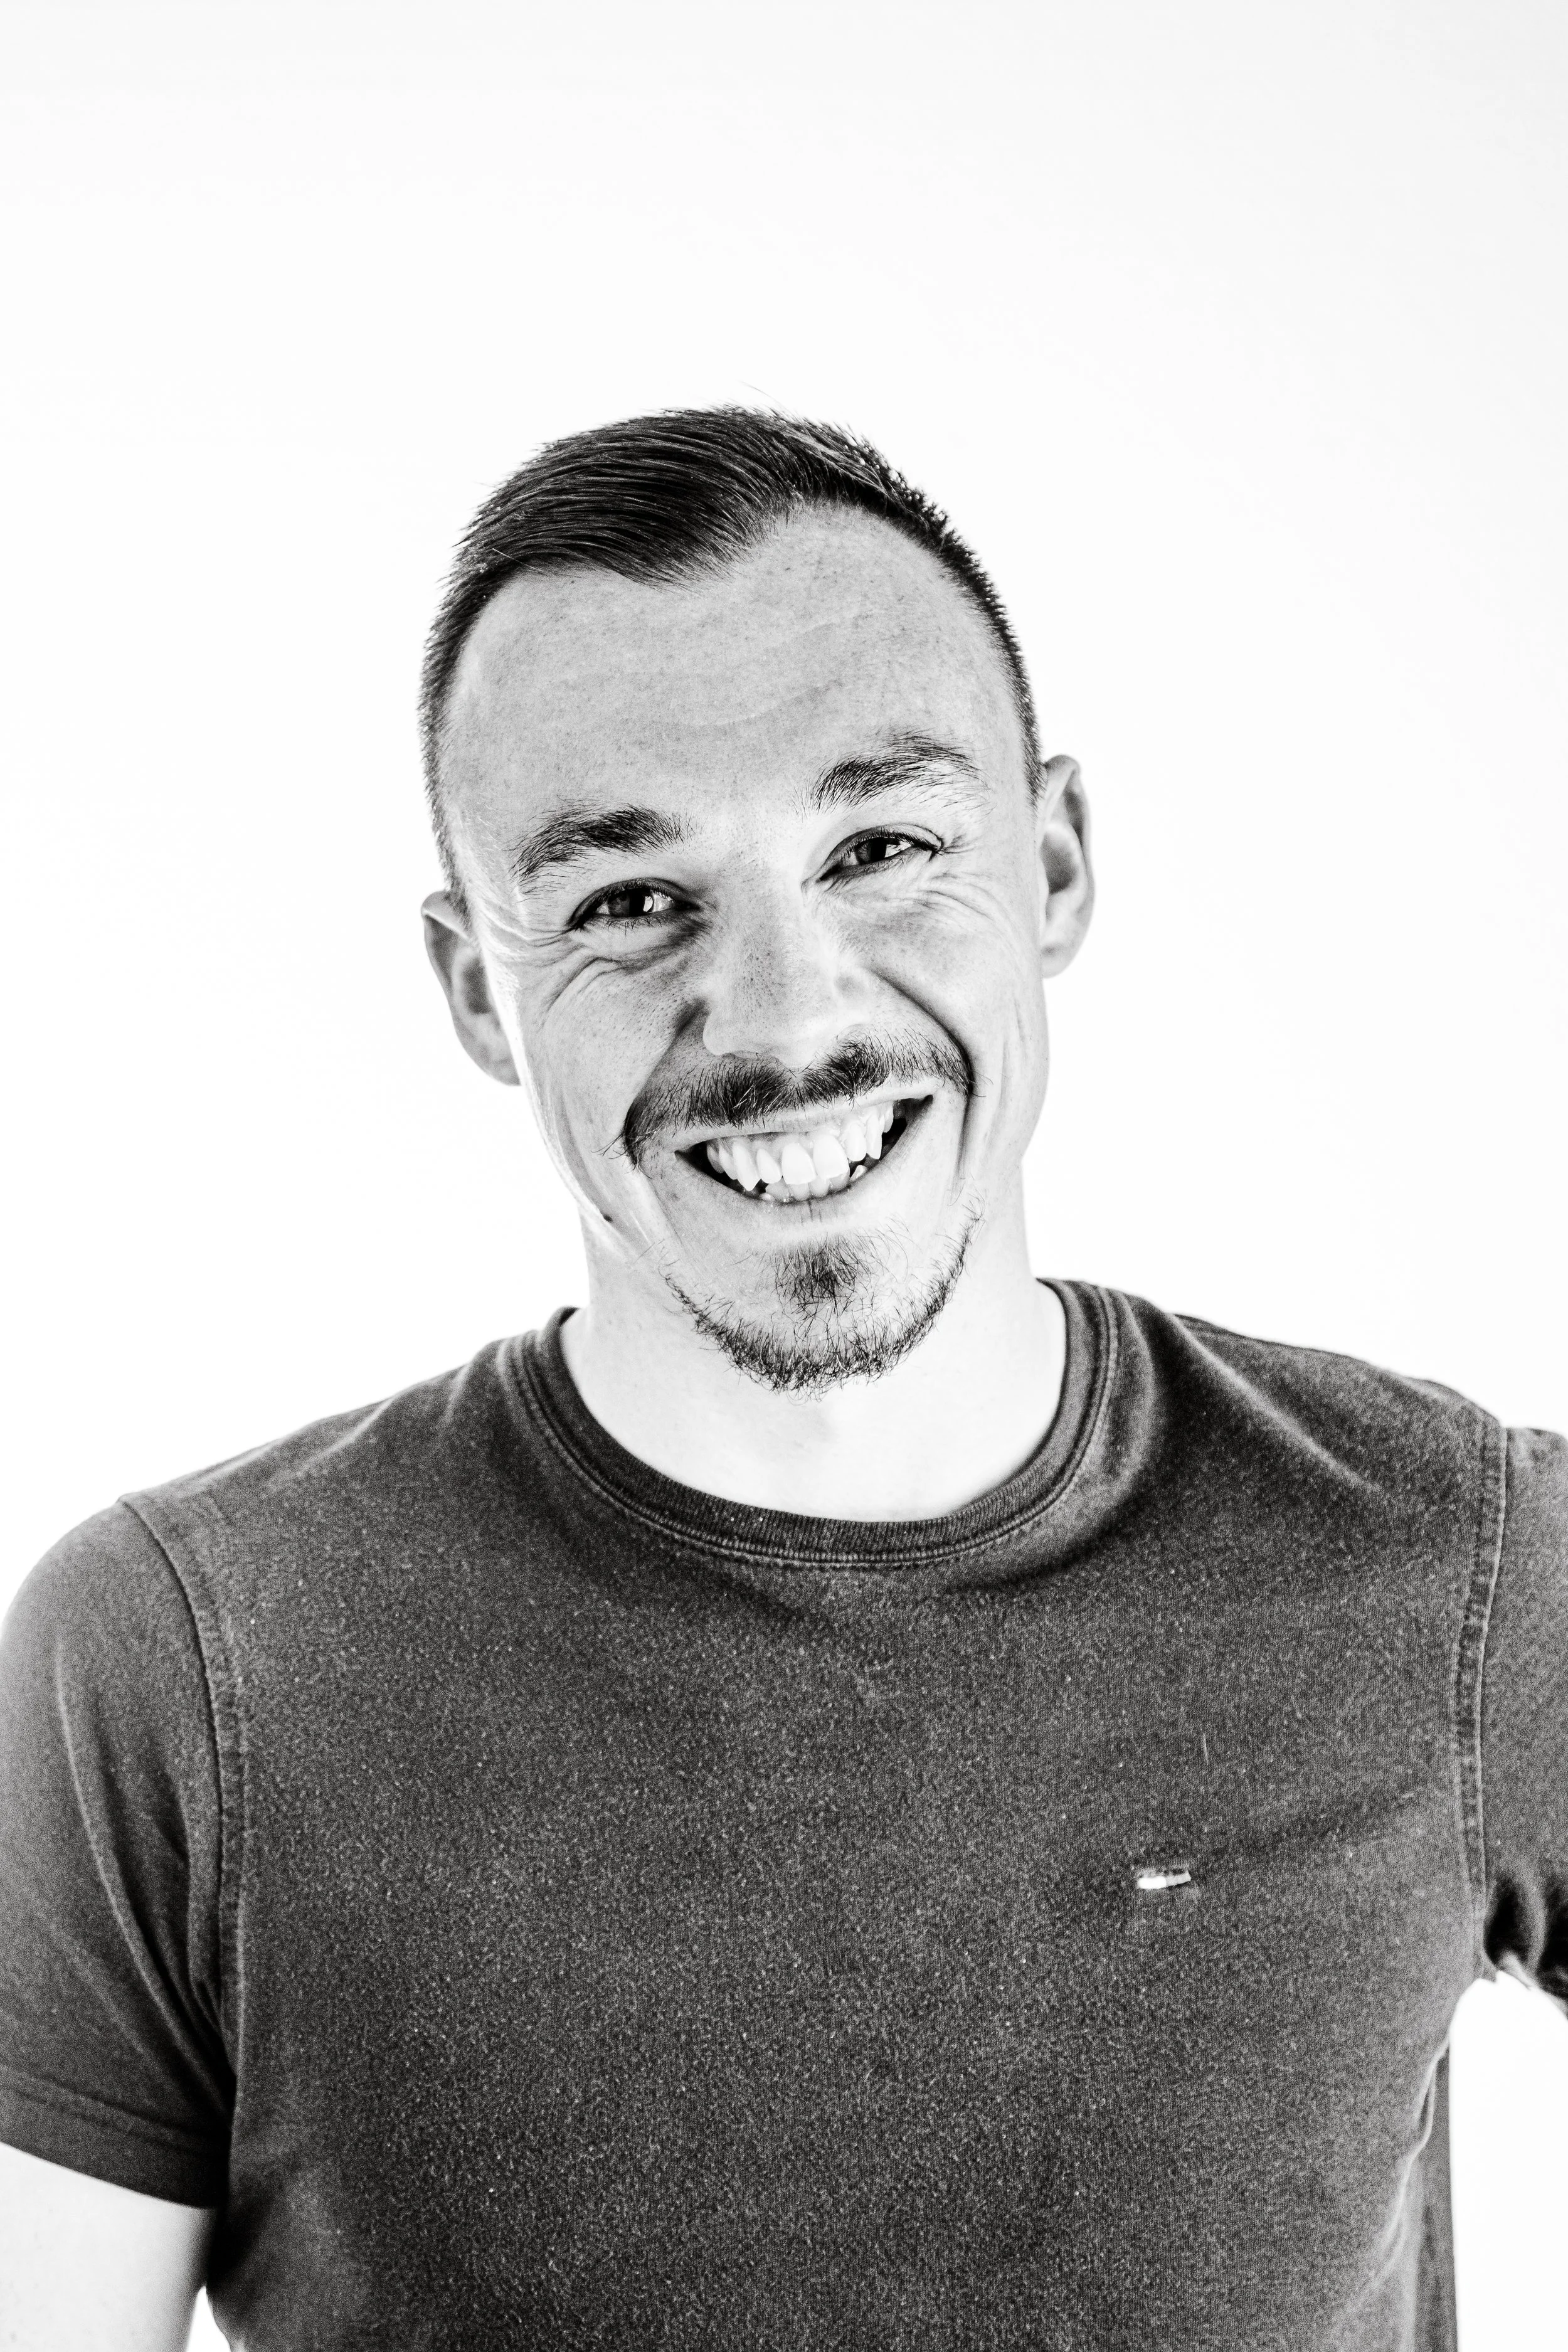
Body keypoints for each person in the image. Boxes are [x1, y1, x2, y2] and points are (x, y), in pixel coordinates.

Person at [0, 409, 1562, 2352]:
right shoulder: (169, 1673)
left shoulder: (1461, 1559)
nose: (786, 1012)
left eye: (884, 844)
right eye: (628, 900)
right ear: (479, 988)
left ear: (1054, 858)